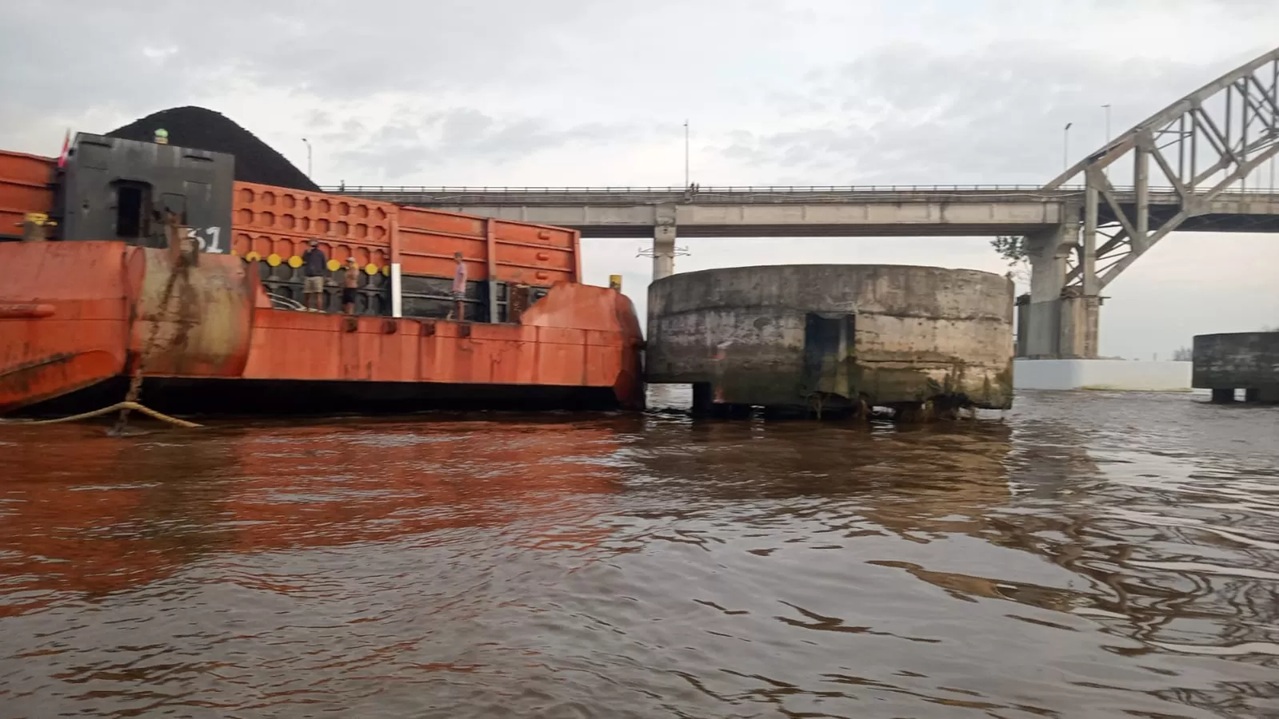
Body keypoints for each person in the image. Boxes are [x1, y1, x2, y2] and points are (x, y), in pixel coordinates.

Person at [302, 240, 327, 311]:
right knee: (307, 294)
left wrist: (323, 274)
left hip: (317, 275)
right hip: (308, 275)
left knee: (318, 293)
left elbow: (324, 264)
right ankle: (307, 308)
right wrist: (308, 253)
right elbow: (303, 259)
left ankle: (319, 310)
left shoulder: (320, 253)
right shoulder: (307, 252)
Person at [450, 251, 466, 320]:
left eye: (456, 257)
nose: (454, 259)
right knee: (457, 303)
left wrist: (459, 285)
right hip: (457, 288)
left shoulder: (462, 265)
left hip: (459, 288)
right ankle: (458, 318)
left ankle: (460, 319)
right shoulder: (458, 266)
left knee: (460, 303)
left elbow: (463, 275)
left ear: (460, 258)